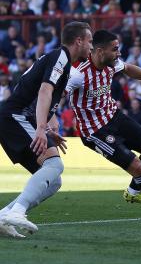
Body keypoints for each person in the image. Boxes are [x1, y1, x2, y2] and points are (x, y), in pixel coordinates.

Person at [66, 30, 141, 228]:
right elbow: (55, 93)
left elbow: (129, 69)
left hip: (114, 117)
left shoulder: (111, 64)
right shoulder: (78, 73)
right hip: (95, 131)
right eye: (115, 49)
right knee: (136, 166)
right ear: (99, 51)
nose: (118, 53)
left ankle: (133, 192)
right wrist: (48, 121)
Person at [0, 21, 92, 238]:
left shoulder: (61, 62)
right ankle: (18, 211)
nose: (91, 46)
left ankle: (4, 216)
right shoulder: (60, 57)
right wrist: (41, 128)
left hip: (18, 117)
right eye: (89, 41)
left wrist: (48, 126)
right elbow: (43, 91)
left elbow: (36, 93)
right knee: (54, 163)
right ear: (78, 41)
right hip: (15, 116)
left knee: (54, 180)